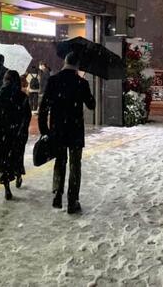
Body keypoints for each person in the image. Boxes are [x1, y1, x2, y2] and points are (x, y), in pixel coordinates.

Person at [38, 52, 95, 214]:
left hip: (58, 130)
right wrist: (87, 91)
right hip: (75, 130)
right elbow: (91, 105)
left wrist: (45, 131)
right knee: (75, 165)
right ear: (77, 65)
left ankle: (57, 193)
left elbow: (43, 108)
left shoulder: (54, 80)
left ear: (65, 62)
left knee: (60, 161)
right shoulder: (81, 83)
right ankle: (72, 201)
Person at [0, 70, 32, 200]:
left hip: (2, 132)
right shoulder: (22, 97)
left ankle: (7, 188)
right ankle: (18, 174)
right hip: (18, 132)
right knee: (17, 156)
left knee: (4, 160)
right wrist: (22, 128)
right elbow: (27, 115)